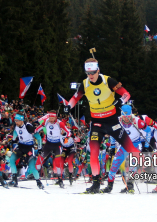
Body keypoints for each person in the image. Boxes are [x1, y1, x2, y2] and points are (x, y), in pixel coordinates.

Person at [66, 58, 139, 193]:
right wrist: (68, 106)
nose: (91, 75)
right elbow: (75, 97)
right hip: (97, 123)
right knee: (93, 152)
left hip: (112, 121)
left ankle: (144, 175)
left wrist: (120, 102)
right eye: (88, 73)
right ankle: (95, 184)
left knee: (130, 148)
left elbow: (126, 94)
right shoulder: (84, 84)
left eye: (93, 72)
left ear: (98, 70)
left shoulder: (108, 81)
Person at [35, 110, 70, 188]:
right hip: (48, 144)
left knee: (57, 163)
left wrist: (66, 137)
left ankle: (60, 179)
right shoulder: (46, 121)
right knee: (38, 161)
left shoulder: (59, 123)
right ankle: (38, 179)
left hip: (57, 145)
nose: (50, 120)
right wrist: (34, 131)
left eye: (52, 118)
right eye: (50, 117)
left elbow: (68, 132)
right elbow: (39, 128)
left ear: (55, 118)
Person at [8, 112, 44, 189]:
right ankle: (14, 180)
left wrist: (40, 148)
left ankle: (38, 182)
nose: (16, 122)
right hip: (21, 146)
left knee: (31, 166)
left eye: (17, 120)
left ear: (22, 120)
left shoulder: (28, 126)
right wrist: (13, 140)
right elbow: (15, 131)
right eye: (15, 120)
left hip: (29, 147)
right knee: (11, 160)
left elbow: (38, 137)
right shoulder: (16, 125)